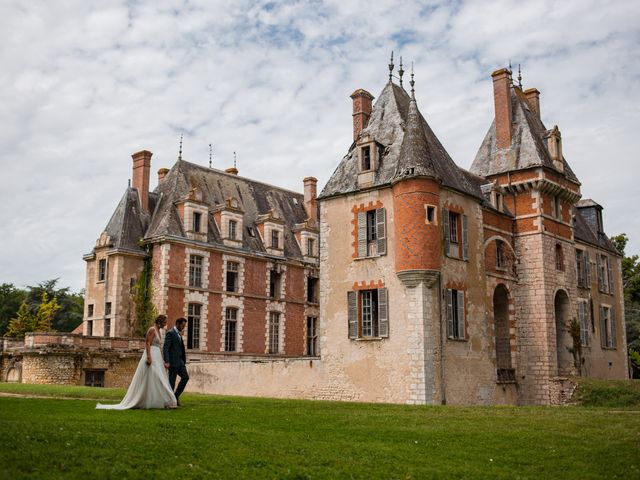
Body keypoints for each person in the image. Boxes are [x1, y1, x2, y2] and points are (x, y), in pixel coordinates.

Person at [96, 315, 177, 410]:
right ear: (160, 321)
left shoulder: (159, 331)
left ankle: (162, 400)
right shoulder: (152, 330)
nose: (166, 324)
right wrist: (148, 356)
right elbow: (147, 343)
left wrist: (161, 359)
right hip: (151, 355)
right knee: (153, 376)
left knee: (157, 378)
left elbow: (158, 346)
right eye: (165, 322)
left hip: (157, 356)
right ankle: (153, 400)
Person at [163, 317, 189, 406]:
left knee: (185, 377)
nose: (183, 328)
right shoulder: (170, 333)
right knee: (172, 382)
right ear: (177, 323)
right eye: (182, 325)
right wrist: (166, 361)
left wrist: (183, 360)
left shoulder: (179, 334)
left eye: (184, 326)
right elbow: (166, 348)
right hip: (173, 362)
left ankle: (176, 396)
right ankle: (170, 401)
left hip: (181, 362)